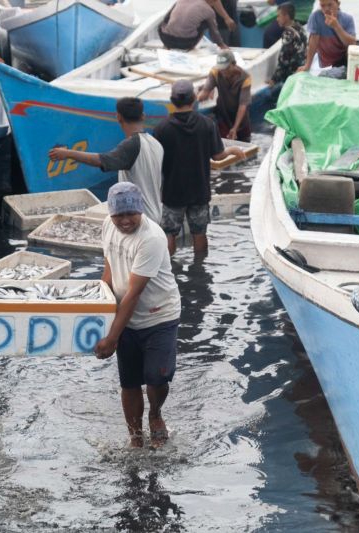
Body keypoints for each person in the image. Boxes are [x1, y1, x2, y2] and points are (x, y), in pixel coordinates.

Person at [95, 182, 182, 449]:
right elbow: (109, 264)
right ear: (110, 214)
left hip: (159, 316)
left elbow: (134, 293)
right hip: (125, 318)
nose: (124, 221)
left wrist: (111, 337)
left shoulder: (152, 238)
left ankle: (155, 414)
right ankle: (135, 435)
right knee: (129, 381)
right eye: (118, 215)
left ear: (141, 210)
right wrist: (102, 307)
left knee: (157, 376)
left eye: (130, 214)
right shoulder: (108, 226)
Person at [153, 80, 245, 256]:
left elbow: (156, 161)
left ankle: (167, 270)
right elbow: (217, 156)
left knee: (169, 233)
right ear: (194, 99)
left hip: (173, 191)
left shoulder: (161, 129)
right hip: (199, 190)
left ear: (172, 101)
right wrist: (232, 150)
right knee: (199, 233)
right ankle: (200, 268)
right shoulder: (207, 124)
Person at [48, 97, 164, 223]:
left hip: (140, 218)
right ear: (143, 116)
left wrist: (67, 153)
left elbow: (102, 160)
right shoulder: (156, 144)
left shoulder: (131, 145)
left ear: (118, 117)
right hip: (156, 215)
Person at [197, 50, 252, 142]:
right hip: (223, 115)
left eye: (226, 68)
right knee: (222, 143)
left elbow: (242, 106)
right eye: (221, 68)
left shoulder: (245, 78)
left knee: (245, 144)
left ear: (234, 64)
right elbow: (205, 91)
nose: (223, 71)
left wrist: (235, 128)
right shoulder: (215, 72)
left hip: (241, 119)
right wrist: (193, 101)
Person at [297, 0, 356, 76]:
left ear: (338, 4)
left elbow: (352, 43)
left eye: (330, 5)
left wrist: (336, 26)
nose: (326, 9)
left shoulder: (347, 19)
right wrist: (307, 65)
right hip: (326, 63)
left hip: (343, 60)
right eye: (323, 6)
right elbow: (313, 42)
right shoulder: (316, 17)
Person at [158, 0, 229, 51]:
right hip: (186, 43)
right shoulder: (209, 11)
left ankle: (167, 46)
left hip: (166, 40)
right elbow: (214, 32)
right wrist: (221, 44)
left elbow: (166, 18)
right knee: (206, 21)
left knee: (164, 22)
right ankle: (191, 47)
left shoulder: (180, 1)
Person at [267, 2, 308, 86]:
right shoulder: (300, 28)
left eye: (279, 16)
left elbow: (284, 60)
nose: (277, 19)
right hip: (302, 71)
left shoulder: (288, 34)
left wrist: (274, 79)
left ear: (286, 16)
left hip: (291, 76)